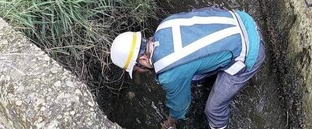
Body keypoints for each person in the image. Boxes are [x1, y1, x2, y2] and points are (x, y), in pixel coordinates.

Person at [110, 7, 265, 129]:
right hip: (244, 20)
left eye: (136, 68)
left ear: (143, 59)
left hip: (252, 50)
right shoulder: (164, 25)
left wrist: (169, 123)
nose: (139, 72)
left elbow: (180, 106)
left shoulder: (168, 73)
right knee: (195, 70)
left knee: (213, 109)